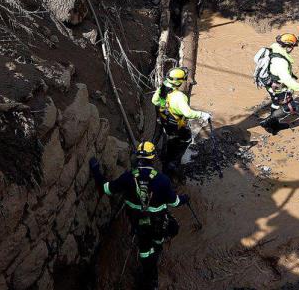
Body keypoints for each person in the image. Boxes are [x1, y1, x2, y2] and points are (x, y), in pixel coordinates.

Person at [90, 141, 189, 290]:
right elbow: (174, 202)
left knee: (144, 249)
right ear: (153, 158)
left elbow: (106, 189)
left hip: (138, 222)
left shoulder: (128, 177)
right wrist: (184, 199)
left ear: (137, 158)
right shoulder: (162, 180)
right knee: (166, 232)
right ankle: (156, 254)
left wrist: (96, 170)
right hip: (158, 222)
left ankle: (148, 270)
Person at [151, 67, 211, 176]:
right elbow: (188, 113)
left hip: (166, 124)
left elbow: (154, 101)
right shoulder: (179, 96)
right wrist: (202, 114)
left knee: (169, 145)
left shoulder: (162, 89)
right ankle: (172, 168)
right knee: (184, 142)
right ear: (179, 82)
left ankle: (165, 161)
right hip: (177, 128)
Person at [260, 33, 299, 135]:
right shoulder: (281, 62)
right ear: (289, 46)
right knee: (291, 106)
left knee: (275, 103)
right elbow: (287, 80)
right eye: (293, 46)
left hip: (269, 83)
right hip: (278, 86)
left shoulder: (274, 48)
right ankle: (267, 122)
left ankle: (273, 126)